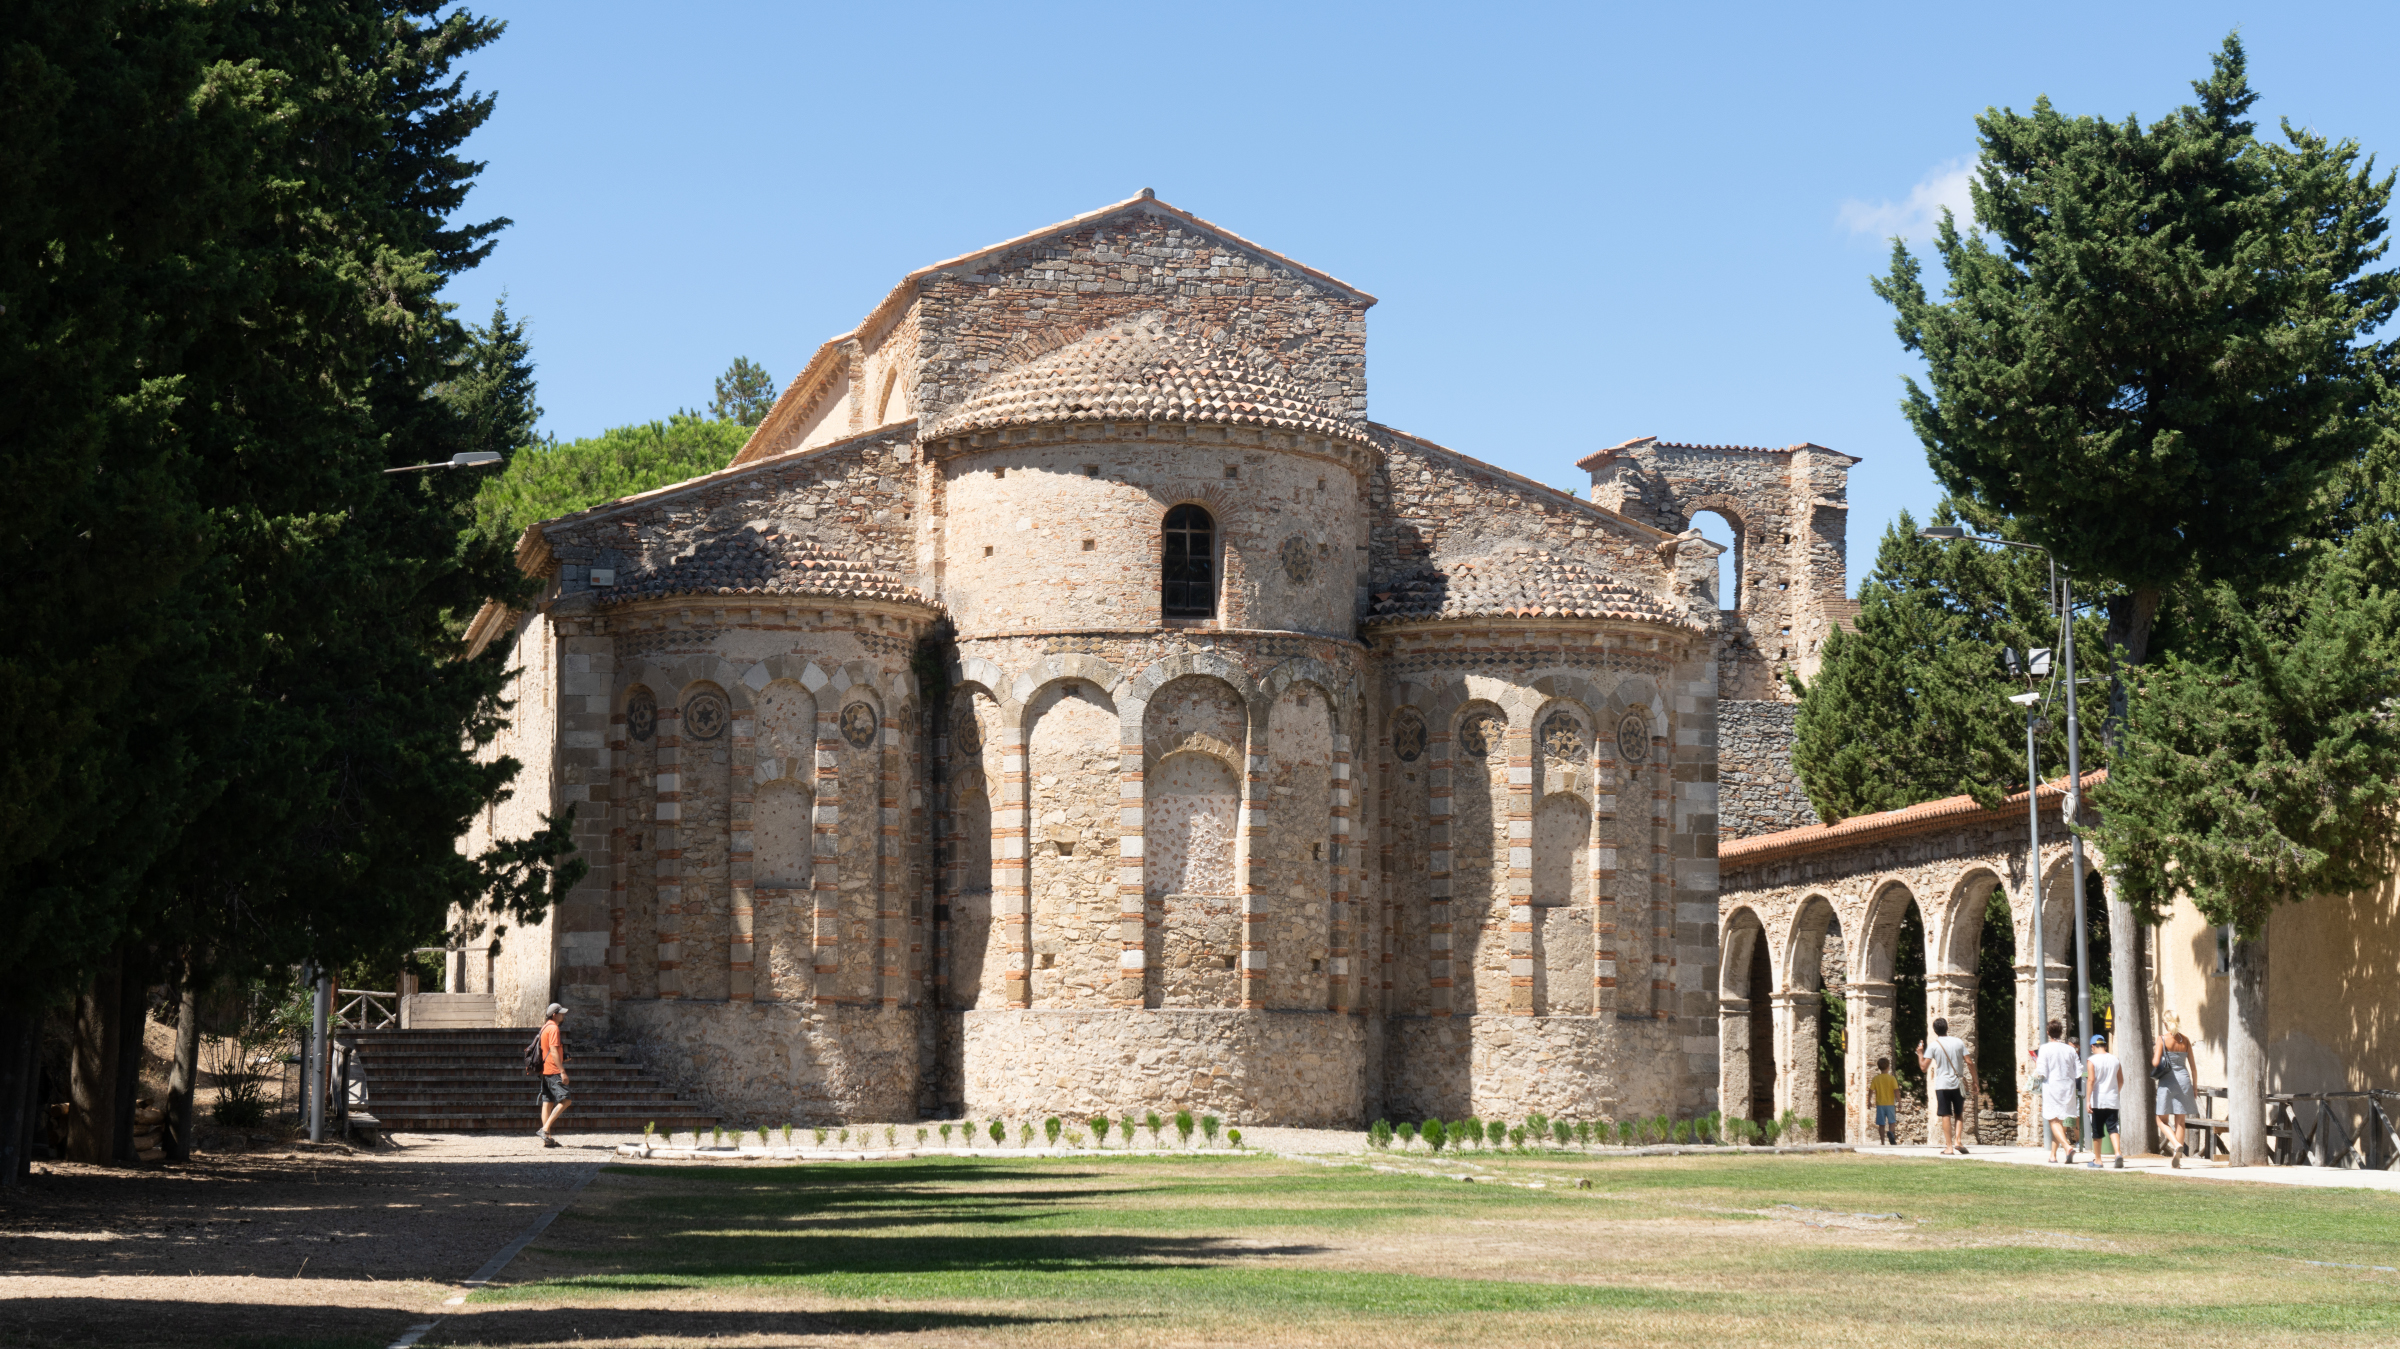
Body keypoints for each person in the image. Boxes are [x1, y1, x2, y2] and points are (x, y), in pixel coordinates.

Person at [1917, 1017, 1977, 1156]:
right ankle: (1958, 1140)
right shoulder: (1958, 1042)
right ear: (1947, 1028)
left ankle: (1949, 1147)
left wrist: (1920, 1053)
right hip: (1958, 1083)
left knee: (1945, 1114)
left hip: (1942, 1084)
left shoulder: (1933, 1045)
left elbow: (1923, 1067)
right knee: (1959, 1112)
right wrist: (1975, 1081)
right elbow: (1969, 1062)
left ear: (1935, 1030)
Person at [2153, 1014, 2197, 1168]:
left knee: (2160, 1119)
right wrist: (2195, 1087)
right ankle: (2176, 1159)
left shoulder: (2162, 1039)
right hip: (2184, 1080)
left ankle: (2176, 1144)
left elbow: (2156, 1062)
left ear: (2165, 1023)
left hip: (2168, 1080)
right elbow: (2193, 1067)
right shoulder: (2185, 1040)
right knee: (2181, 1121)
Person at [2035, 1019, 2082, 1164]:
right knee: (2060, 1121)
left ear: (2048, 1033)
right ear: (2061, 1033)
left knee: (2052, 1119)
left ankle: (2068, 1147)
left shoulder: (2045, 1048)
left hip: (2052, 1086)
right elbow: (2079, 1070)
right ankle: (2053, 1155)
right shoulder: (2070, 1049)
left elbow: (2042, 1070)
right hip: (2068, 1087)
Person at [2086, 1033, 2124, 1170]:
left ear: (2092, 1046)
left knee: (2097, 1130)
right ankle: (2118, 1153)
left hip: (2098, 1099)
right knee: (2113, 1128)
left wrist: (2088, 1100)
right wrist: (2115, 1092)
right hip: (2112, 1099)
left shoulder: (2092, 1060)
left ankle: (2098, 1160)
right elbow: (2121, 1080)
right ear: (2105, 1045)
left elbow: (2091, 1080)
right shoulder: (2115, 1059)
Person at [537, 1002, 571, 1147]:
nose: (563, 1015)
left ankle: (548, 1139)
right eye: (561, 1013)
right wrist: (562, 1071)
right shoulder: (554, 1028)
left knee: (547, 1102)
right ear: (554, 1015)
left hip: (544, 1070)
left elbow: (546, 1050)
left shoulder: (544, 1027)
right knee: (566, 1100)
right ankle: (545, 1130)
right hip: (553, 1070)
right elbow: (553, 1050)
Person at [1869, 1056, 1901, 1146]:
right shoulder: (1892, 1079)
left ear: (1879, 1068)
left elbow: (1871, 1090)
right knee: (1892, 1122)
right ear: (1888, 1067)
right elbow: (1896, 1091)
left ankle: (1882, 1142)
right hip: (1890, 1103)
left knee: (1881, 1124)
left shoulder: (1876, 1079)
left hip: (1880, 1104)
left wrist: (1869, 1101)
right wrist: (1899, 1102)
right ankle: (1890, 1132)